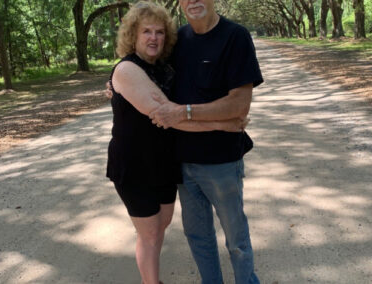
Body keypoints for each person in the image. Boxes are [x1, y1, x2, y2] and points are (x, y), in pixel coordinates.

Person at [106, 2, 247, 284]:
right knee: (149, 233)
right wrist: (226, 123)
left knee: (161, 226)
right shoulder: (128, 70)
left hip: (165, 161)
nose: (153, 37)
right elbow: (169, 116)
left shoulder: (162, 66)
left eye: (159, 32)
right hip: (135, 165)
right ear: (132, 35)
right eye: (146, 31)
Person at [148, 0, 264, 283]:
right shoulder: (176, 40)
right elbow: (143, 67)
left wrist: (184, 112)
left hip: (222, 162)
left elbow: (239, 104)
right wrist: (116, 82)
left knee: (235, 238)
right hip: (182, 161)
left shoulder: (235, 37)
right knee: (198, 235)